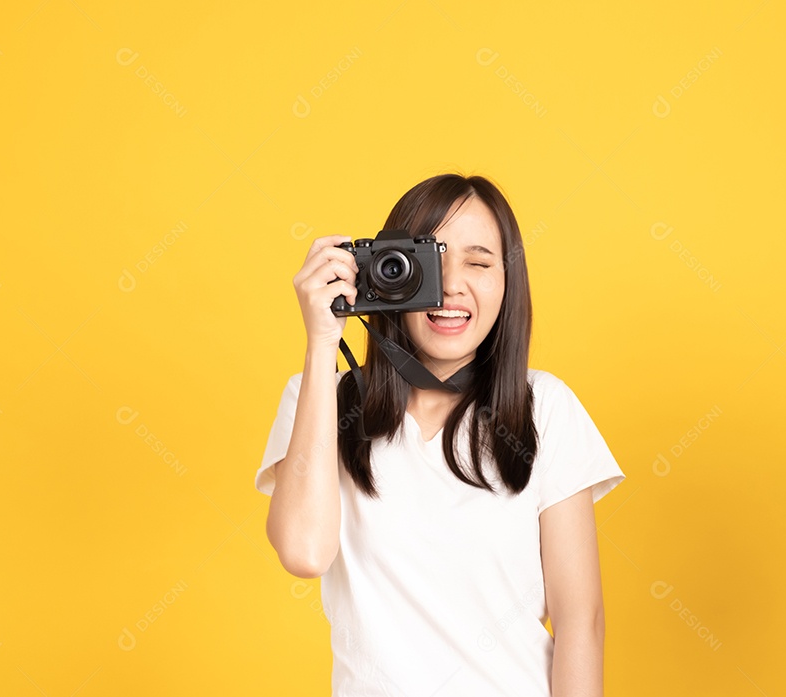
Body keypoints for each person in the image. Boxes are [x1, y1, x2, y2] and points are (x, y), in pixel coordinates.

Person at [256, 173, 626, 696]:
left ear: (507, 282)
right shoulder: (320, 399)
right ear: (380, 272)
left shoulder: (543, 408)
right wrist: (321, 342)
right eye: (428, 262)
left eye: (478, 262)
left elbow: (579, 622)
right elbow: (303, 553)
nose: (451, 285)